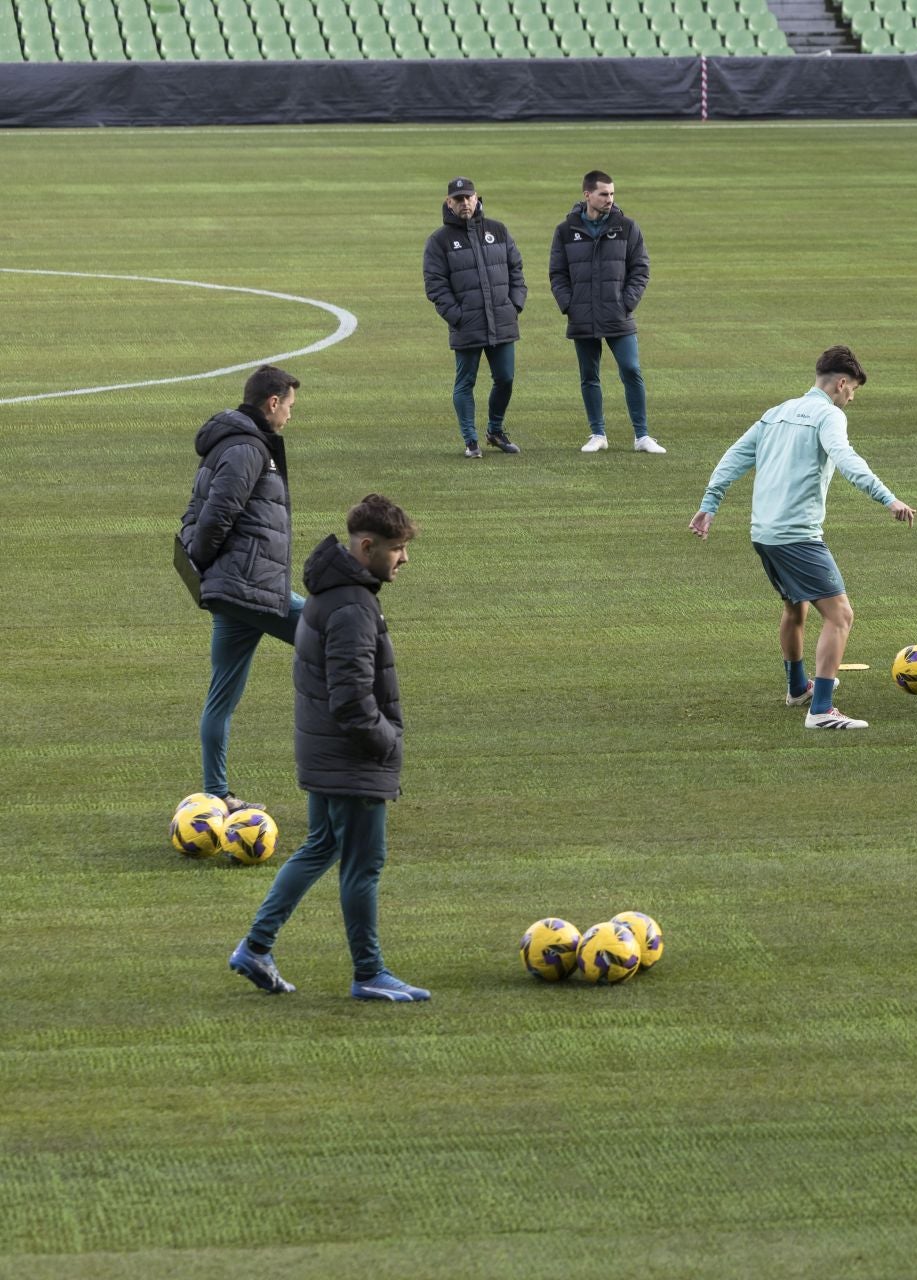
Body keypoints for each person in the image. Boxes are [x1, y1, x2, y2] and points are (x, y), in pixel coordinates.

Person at [229, 495, 429, 1002]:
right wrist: (389, 744)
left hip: (324, 754)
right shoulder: (352, 609)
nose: (404, 559)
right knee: (364, 865)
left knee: (321, 846)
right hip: (350, 761)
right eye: (398, 549)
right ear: (367, 547)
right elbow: (352, 701)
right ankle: (370, 973)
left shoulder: (334, 592)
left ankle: (256, 947)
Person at [690, 347, 916, 731]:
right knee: (840, 615)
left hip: (763, 533)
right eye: (854, 390)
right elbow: (846, 459)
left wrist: (709, 503)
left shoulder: (777, 412)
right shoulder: (829, 416)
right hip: (796, 536)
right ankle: (822, 710)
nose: (852, 398)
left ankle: (798, 687)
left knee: (797, 606)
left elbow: (735, 456)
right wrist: (888, 498)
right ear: (841, 383)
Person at [176, 364, 303, 812]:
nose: (289, 415)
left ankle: (215, 795)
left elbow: (193, 512)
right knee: (338, 631)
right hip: (251, 588)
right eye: (288, 406)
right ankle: (345, 766)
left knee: (221, 696)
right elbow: (214, 517)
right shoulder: (248, 449)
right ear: (272, 403)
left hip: (238, 589)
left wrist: (206, 567)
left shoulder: (225, 446)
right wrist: (210, 563)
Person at [550, 169, 662, 454]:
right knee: (589, 375)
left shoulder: (627, 227)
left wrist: (626, 303)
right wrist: (570, 305)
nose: (609, 199)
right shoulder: (566, 231)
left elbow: (641, 269)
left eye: (612, 194)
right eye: (603, 194)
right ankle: (597, 434)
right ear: (587, 195)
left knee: (631, 370)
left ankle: (642, 436)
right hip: (582, 316)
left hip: (618, 315)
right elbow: (557, 273)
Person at [423, 175, 526, 459]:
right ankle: (470, 441)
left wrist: (514, 304)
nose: (465, 203)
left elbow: (516, 268)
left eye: (468, 197)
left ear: (476, 197)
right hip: (466, 324)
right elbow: (435, 284)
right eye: (458, 199)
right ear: (449, 203)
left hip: (502, 320)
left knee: (505, 378)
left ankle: (495, 430)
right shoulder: (439, 241)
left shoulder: (498, 230)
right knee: (465, 382)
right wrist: (456, 315)